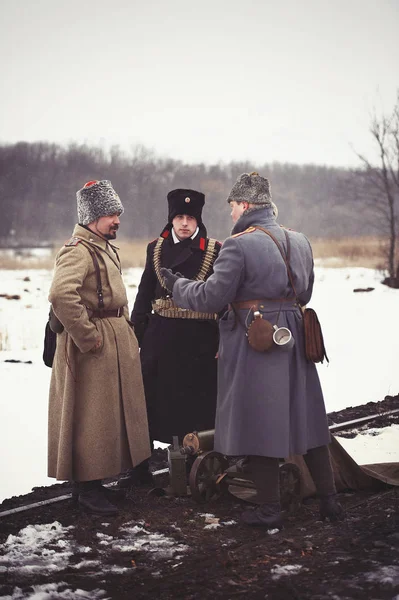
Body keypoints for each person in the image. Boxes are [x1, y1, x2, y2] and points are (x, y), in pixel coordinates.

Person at [160, 172, 344, 528]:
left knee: (260, 422)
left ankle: (269, 509)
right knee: (308, 420)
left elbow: (211, 297)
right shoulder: (300, 240)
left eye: (231, 207)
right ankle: (330, 502)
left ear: (244, 205)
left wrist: (177, 285)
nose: (230, 214)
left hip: (256, 341)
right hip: (294, 336)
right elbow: (304, 293)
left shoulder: (239, 245)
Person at [48, 179, 151, 515]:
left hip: (111, 341)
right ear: (92, 216)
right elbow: (62, 295)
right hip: (91, 349)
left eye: (117, 213)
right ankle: (88, 489)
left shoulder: (103, 247)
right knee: (90, 418)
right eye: (110, 214)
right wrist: (89, 336)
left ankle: (97, 484)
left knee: (105, 417)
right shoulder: (77, 250)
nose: (116, 220)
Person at [128, 188, 221, 481]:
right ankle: (140, 467)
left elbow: (221, 299)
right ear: (171, 219)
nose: (184, 223)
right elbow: (145, 293)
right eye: (179, 217)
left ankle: (198, 465)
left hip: (198, 341)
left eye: (190, 218)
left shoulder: (214, 250)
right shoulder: (155, 248)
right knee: (148, 401)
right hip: (160, 338)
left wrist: (222, 340)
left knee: (197, 404)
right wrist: (136, 334)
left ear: (198, 221)